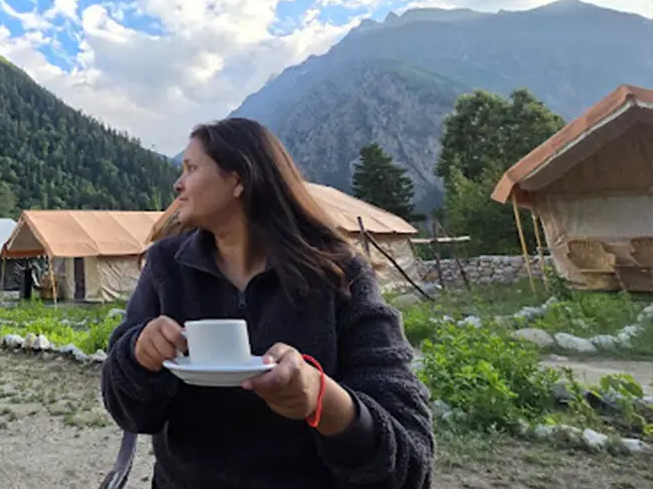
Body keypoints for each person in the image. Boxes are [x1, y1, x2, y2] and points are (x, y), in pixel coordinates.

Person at [101, 118, 433, 489]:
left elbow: (410, 460)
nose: (177, 185)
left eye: (191, 168)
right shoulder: (166, 265)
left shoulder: (337, 272)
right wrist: (138, 357)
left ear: (239, 179)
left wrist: (322, 400)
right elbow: (128, 413)